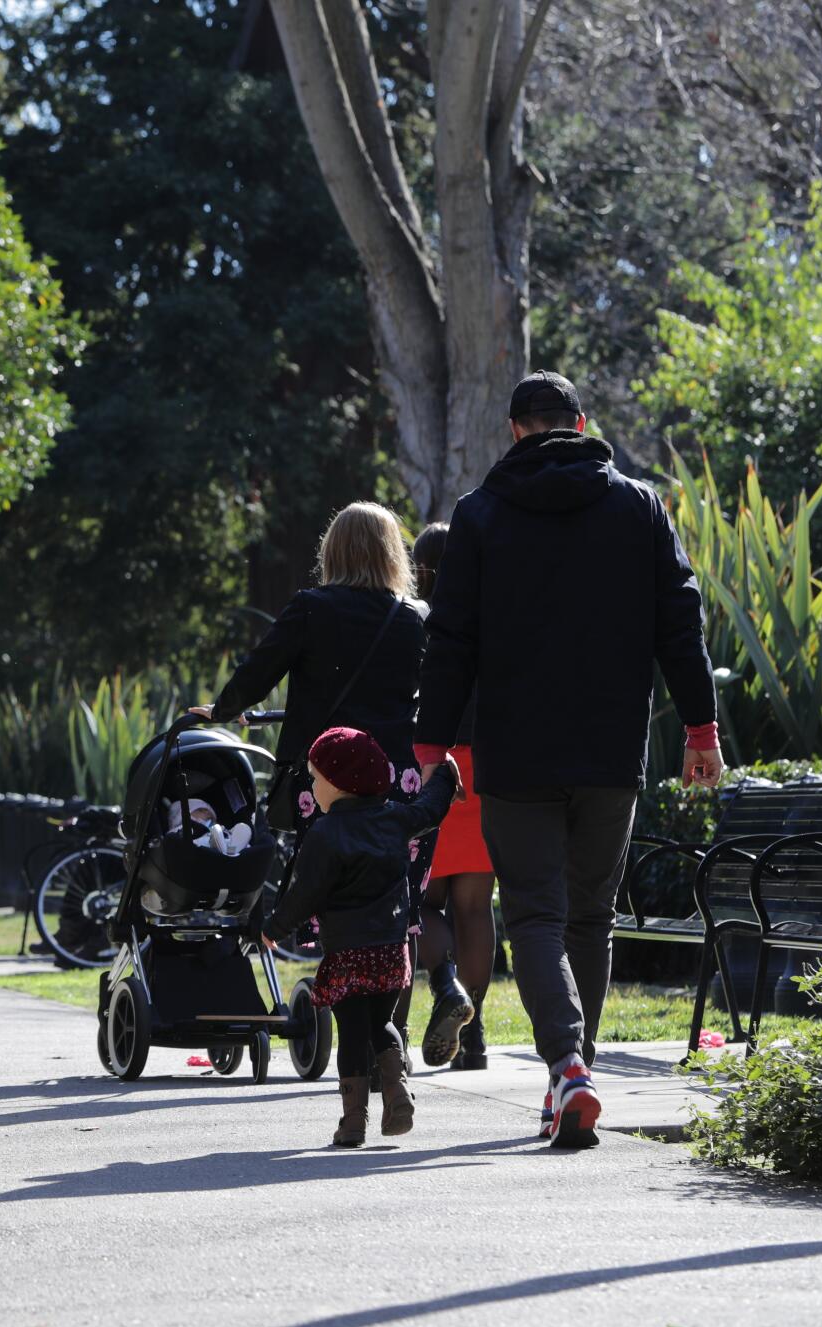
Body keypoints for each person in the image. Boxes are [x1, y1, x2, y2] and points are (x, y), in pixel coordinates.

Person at [415, 370, 722, 1150]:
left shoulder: (480, 516)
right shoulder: (638, 505)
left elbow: (450, 639)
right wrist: (700, 727)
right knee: (589, 914)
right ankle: (572, 1072)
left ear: (516, 431)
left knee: (535, 915)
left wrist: (431, 744)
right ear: (580, 423)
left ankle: (567, 1067)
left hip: (515, 751)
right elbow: (678, 620)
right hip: (611, 749)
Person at [197, 502, 464, 1053]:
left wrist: (223, 709)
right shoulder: (415, 617)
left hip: (328, 780)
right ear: (394, 554)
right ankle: (393, 1036)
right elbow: (441, 694)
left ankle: (361, 1045)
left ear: (332, 551)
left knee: (336, 900)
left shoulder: (311, 609)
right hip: (399, 780)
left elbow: (260, 670)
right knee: (402, 911)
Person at [264, 728, 459, 1147]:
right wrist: (445, 776)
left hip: (347, 955)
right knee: (383, 1023)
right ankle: (399, 1092)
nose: (313, 788)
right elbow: (430, 809)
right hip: (390, 952)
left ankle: (354, 1123)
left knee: (352, 1034)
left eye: (316, 779)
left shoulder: (324, 834)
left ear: (339, 784)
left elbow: (305, 893)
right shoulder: (394, 818)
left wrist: (271, 929)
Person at [410, 523, 495, 1070]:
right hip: (486, 769)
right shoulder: (492, 618)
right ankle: (475, 1034)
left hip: (433, 763)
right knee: (475, 907)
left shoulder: (418, 621)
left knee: (420, 904)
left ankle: (447, 988)